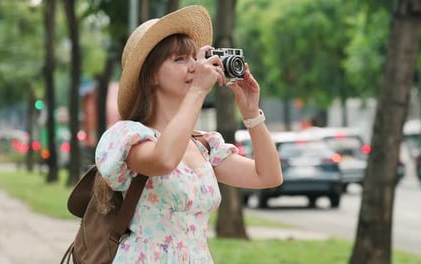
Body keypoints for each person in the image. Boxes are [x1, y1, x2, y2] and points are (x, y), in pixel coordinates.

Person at [94, 5, 282, 263]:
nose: (194, 67)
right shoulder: (128, 136)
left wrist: (252, 114)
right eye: (179, 59)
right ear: (150, 77)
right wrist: (198, 92)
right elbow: (164, 160)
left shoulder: (204, 145)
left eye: (195, 57)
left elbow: (268, 176)